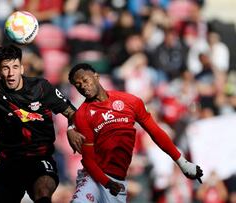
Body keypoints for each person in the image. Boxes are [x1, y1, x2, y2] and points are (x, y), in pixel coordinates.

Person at [0, 41, 83, 203]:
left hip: (40, 158)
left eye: (15, 67)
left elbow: (72, 113)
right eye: (6, 68)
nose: (11, 73)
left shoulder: (41, 88)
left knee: (43, 191)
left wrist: (71, 127)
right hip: (10, 161)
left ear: (22, 68)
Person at [68, 63, 204, 202]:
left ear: (96, 76)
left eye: (85, 80)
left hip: (117, 181)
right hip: (94, 178)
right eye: (78, 85)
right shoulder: (82, 115)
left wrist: (182, 163)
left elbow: (156, 132)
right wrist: (107, 182)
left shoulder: (130, 101)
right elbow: (89, 161)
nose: (83, 86)